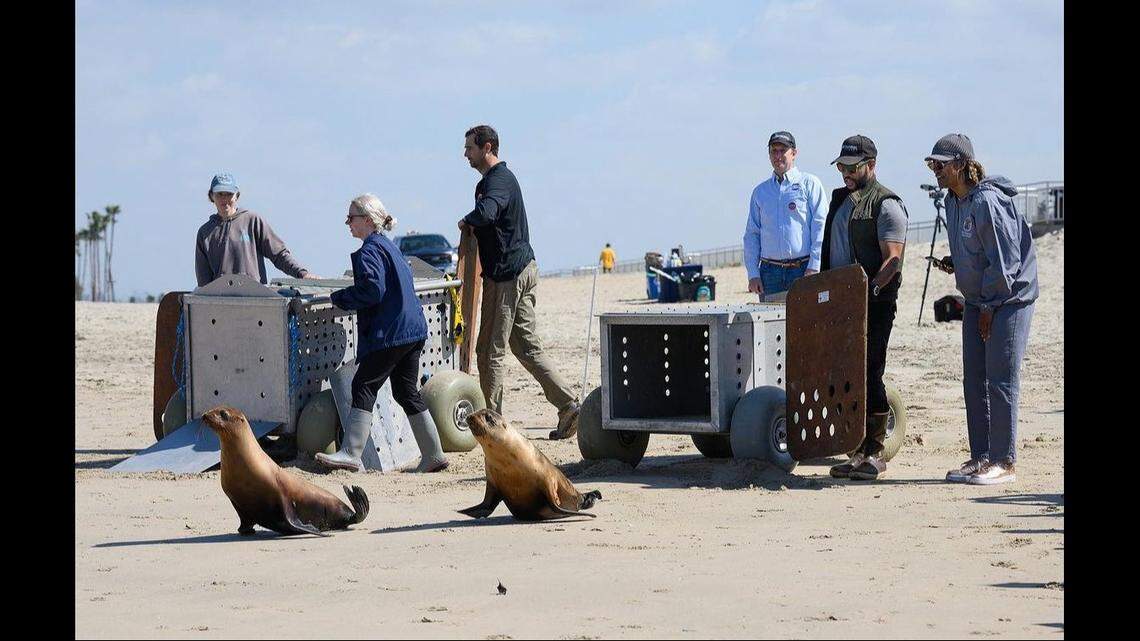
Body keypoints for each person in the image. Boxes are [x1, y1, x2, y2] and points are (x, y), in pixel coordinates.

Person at [926, 134, 1038, 485]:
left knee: (1000, 378)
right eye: (932, 164)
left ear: (961, 165)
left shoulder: (988, 201)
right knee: (974, 378)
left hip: (1009, 299)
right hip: (978, 299)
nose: (936, 170)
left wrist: (990, 306)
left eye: (941, 164)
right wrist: (954, 264)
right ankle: (981, 456)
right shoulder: (952, 201)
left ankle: (1004, 461)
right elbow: (975, 250)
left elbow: (1006, 262)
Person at [457, 124, 581, 440]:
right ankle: (568, 405)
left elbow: (488, 213)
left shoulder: (498, 181)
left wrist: (468, 221)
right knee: (525, 345)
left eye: (470, 148)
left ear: (487, 148)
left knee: (488, 351)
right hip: (521, 267)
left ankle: (492, 426)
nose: (465, 154)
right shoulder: (495, 181)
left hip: (508, 276)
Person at [315, 194, 449, 473]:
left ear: (367, 219)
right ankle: (434, 454)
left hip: (392, 332)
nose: (347, 223)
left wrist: (341, 297)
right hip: (413, 330)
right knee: (405, 390)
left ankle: (351, 453)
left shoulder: (369, 251)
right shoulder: (388, 246)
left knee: (363, 386)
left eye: (351, 217)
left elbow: (373, 290)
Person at [821, 135, 908, 481]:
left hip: (874, 303)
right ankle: (856, 451)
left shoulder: (887, 204)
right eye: (841, 166)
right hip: (840, 302)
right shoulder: (841, 200)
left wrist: (869, 290)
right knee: (846, 376)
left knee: (870, 373)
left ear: (871, 165)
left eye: (851, 167)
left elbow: (893, 261)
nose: (845, 172)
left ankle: (874, 452)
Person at [195, 172, 320, 287]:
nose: (224, 199)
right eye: (220, 194)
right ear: (211, 196)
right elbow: (203, 279)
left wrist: (302, 273)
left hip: (255, 297)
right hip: (221, 301)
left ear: (237, 196)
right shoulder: (204, 233)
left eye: (229, 194)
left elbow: (279, 255)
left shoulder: (253, 221)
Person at [743, 131, 828, 300]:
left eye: (783, 150)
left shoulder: (810, 184)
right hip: (769, 273)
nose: (778, 156)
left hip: (802, 269)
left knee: (806, 324)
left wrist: (814, 266)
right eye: (774, 151)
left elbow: (820, 227)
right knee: (771, 324)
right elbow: (752, 234)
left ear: (794, 153)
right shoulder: (760, 192)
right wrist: (753, 274)